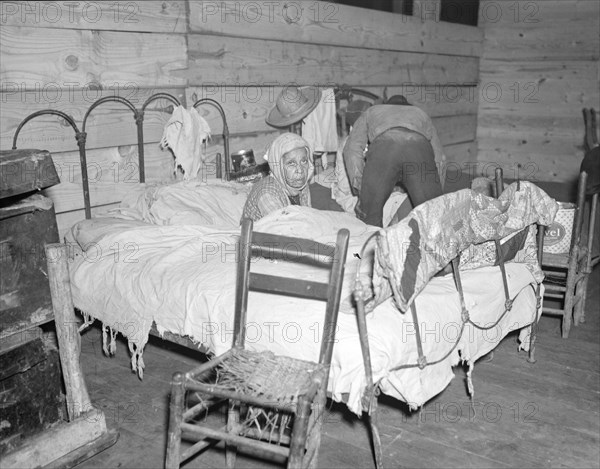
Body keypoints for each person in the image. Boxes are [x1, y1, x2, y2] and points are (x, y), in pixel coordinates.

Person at [343, 95, 446, 227]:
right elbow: (440, 158)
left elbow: (352, 149)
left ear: (387, 104)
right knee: (432, 218)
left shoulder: (373, 111)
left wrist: (360, 187)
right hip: (419, 149)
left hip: (385, 149)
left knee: (369, 218)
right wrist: (436, 194)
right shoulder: (421, 114)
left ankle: (375, 245)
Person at [241, 133, 314, 222]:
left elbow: (308, 220)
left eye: (304, 161)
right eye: (291, 163)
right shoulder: (267, 194)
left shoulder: (301, 185)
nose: (300, 170)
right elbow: (284, 230)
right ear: (278, 167)